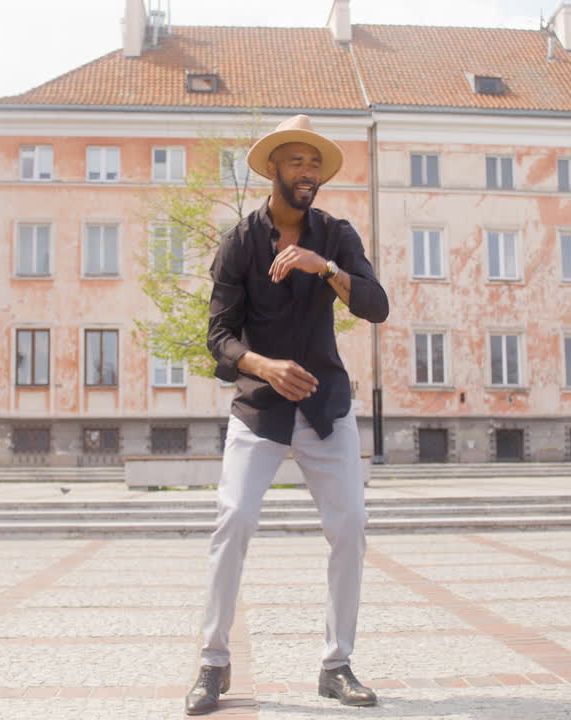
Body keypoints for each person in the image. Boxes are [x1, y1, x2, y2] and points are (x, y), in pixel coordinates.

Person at [185, 115, 389, 716]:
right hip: (260, 410)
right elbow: (218, 337)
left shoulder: (336, 234)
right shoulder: (240, 242)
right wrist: (264, 366)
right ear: (273, 167)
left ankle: (337, 665)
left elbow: (376, 305)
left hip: (327, 407)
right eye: (297, 161)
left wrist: (321, 267)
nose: (308, 173)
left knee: (349, 527)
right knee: (233, 522)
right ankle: (213, 664)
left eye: (315, 164)